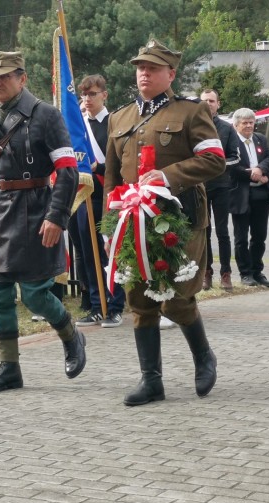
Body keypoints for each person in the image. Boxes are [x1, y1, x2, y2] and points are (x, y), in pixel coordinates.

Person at [0, 50, 85, 394]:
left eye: (4, 76)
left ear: (22, 78)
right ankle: (9, 367)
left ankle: (71, 334)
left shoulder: (46, 115)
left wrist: (56, 216)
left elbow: (68, 171)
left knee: (35, 295)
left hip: (36, 212)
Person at [104, 39, 226, 406]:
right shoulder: (119, 118)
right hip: (133, 220)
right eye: (140, 67)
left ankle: (203, 356)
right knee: (139, 299)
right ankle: (151, 380)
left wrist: (168, 176)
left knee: (176, 297)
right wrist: (110, 225)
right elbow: (111, 177)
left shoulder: (191, 112)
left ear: (171, 74)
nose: (144, 73)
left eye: (153, 68)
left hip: (180, 219)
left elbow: (214, 160)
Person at [73, 74, 126, 328]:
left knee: (110, 253)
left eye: (92, 94)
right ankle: (96, 305)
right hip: (85, 196)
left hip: (110, 197)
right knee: (89, 254)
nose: (87, 99)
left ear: (104, 95)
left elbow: (122, 161)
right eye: (84, 94)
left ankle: (115, 306)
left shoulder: (115, 123)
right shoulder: (78, 125)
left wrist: (98, 166)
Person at [230, 108, 269, 288]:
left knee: (259, 236)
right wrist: (252, 174)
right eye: (245, 123)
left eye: (251, 122)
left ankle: (257, 271)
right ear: (236, 125)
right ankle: (245, 273)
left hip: (261, 195)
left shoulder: (260, 139)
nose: (249, 126)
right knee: (241, 238)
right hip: (241, 195)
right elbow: (231, 167)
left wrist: (260, 169)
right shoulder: (231, 141)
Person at [199, 88, 239, 292]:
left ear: (218, 104)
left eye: (211, 101)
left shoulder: (227, 128)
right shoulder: (194, 126)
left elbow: (236, 156)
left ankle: (226, 273)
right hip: (200, 187)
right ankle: (206, 273)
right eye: (205, 101)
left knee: (222, 232)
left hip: (221, 186)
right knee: (203, 232)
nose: (208, 104)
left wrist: (217, 165)